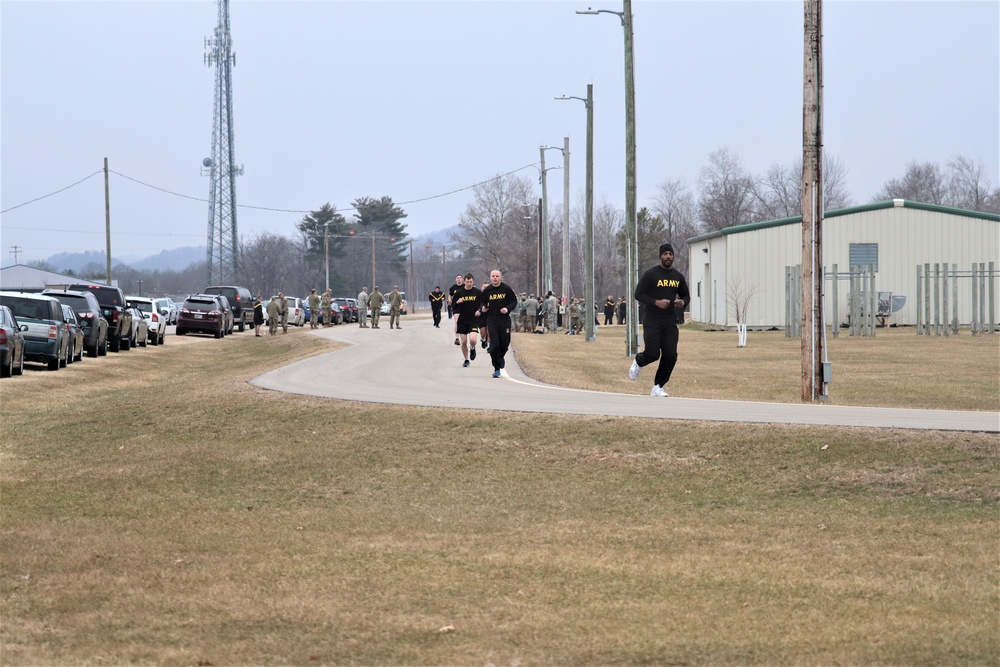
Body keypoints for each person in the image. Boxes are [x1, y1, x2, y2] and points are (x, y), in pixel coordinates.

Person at [629, 242, 691, 397]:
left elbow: (686, 295)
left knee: (671, 355)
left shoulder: (678, 277)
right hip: (652, 320)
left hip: (669, 321)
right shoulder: (651, 275)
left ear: (673, 256)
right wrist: (656, 302)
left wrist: (682, 302)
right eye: (665, 254)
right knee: (652, 353)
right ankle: (639, 361)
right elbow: (639, 294)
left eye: (670, 254)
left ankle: (658, 386)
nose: (668, 256)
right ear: (660, 257)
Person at [478, 269, 518, 378]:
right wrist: (483, 308)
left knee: (505, 343)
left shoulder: (506, 289)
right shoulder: (488, 290)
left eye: (497, 276)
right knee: (494, 345)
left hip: (504, 319)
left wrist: (507, 308)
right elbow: (482, 302)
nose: (495, 278)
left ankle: (501, 357)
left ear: (500, 278)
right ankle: (496, 368)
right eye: (493, 276)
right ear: (490, 278)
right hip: (492, 319)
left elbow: (514, 301)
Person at [450, 273, 482, 367]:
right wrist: (457, 302)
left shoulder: (478, 292)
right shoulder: (459, 293)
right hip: (462, 320)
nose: (469, 284)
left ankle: (472, 348)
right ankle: (466, 359)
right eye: (467, 282)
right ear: (464, 282)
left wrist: (479, 310)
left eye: (471, 282)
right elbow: (453, 306)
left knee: (472, 339)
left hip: (474, 319)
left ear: (473, 281)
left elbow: (483, 303)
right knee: (463, 341)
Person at [448, 274, 463, 345]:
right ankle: (457, 338)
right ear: (456, 279)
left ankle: (463, 336)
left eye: (460, 278)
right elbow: (450, 295)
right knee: (457, 321)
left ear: (462, 279)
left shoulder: (465, 286)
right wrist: (449, 300)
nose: (459, 279)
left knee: (463, 322)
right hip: (456, 306)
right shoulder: (453, 287)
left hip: (465, 306)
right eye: (457, 278)